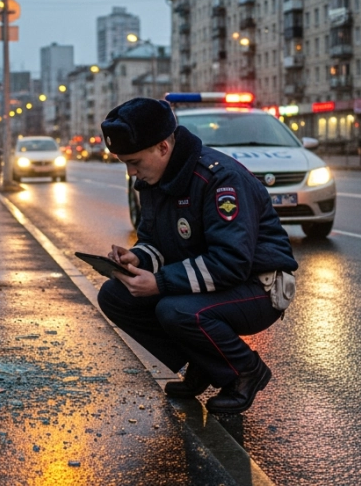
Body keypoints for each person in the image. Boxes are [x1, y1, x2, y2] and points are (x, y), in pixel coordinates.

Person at [96, 98, 297, 415]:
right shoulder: (153, 180)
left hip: (259, 285)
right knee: (114, 295)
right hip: (215, 280)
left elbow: (231, 262)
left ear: (163, 147)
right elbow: (155, 241)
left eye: (134, 161)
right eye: (125, 163)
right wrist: (137, 258)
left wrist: (160, 282)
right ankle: (204, 364)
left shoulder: (219, 180)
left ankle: (246, 371)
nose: (131, 171)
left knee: (174, 309)